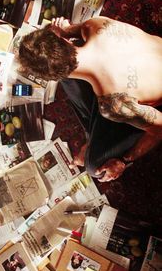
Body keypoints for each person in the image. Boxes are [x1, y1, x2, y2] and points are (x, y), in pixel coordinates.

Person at [18, 16, 162, 181]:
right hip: (144, 66)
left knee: (94, 167)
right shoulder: (95, 25)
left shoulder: (113, 104)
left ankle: (91, 139)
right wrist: (66, 29)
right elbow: (66, 30)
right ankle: (92, 138)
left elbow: (160, 128)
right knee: (67, 70)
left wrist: (124, 160)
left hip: (147, 104)